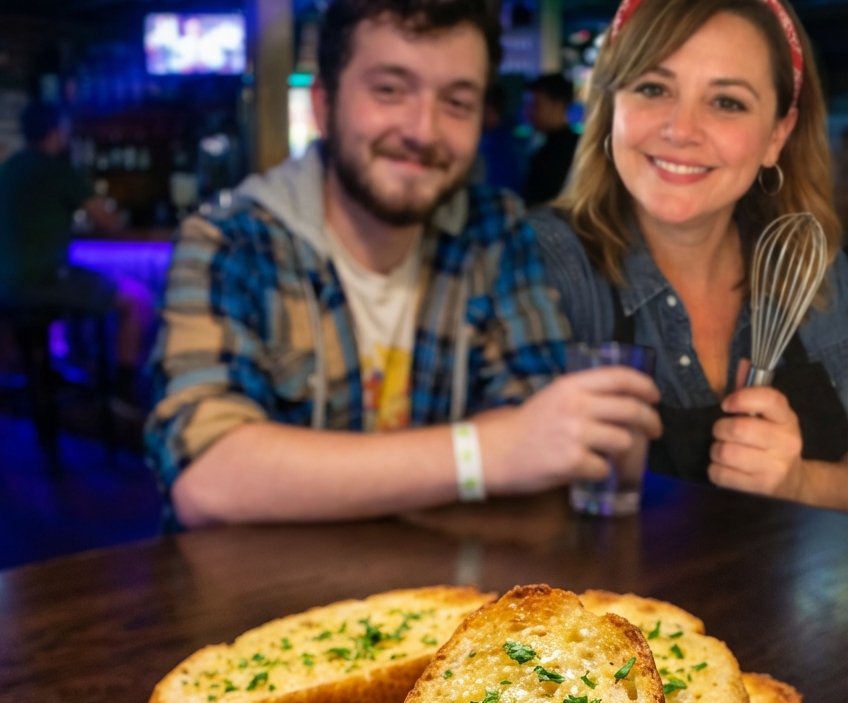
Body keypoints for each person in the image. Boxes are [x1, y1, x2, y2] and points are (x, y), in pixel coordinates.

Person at [147, 0, 660, 527]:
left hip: (448, 595)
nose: (423, 130)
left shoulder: (496, 231)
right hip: (260, 600)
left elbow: (545, 429)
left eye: (457, 102)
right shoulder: (231, 242)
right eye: (389, 90)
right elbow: (206, 477)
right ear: (324, 106)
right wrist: (479, 455)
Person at [531, 0, 848, 511]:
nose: (681, 130)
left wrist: (800, 483)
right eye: (653, 89)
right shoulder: (542, 264)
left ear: (777, 135)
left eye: (726, 102)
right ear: (611, 107)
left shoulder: (815, 272)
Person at [0, 102, 151, 411]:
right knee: (137, 299)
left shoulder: (8, 169)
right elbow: (108, 222)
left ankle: (53, 375)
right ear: (58, 132)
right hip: (43, 282)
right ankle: (122, 395)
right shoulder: (56, 168)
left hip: (6, 286)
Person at [523, 73, 578, 207]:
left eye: (536, 105)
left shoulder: (565, 152)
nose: (529, 112)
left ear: (558, 105)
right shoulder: (552, 147)